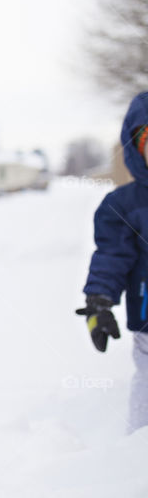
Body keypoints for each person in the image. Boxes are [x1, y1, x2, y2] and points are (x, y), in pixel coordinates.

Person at [79, 91, 148, 434]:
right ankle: (137, 449)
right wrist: (99, 302)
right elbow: (112, 255)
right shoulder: (125, 204)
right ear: (137, 147)